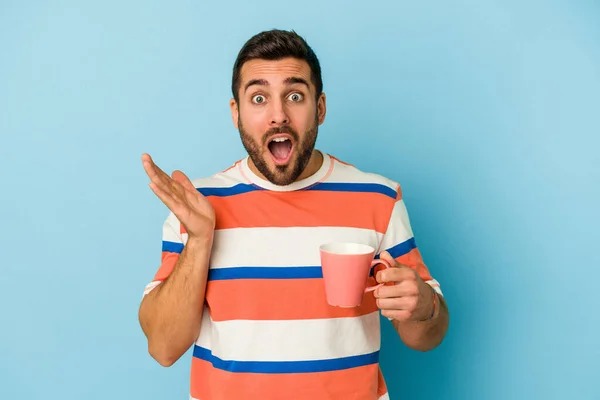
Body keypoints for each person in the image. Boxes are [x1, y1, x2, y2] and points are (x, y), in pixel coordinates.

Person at [138, 29, 449, 400]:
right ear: (236, 113)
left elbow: (425, 337)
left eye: (295, 96)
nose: (278, 116)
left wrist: (424, 307)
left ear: (319, 108)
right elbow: (163, 347)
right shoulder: (196, 204)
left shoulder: (378, 197)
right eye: (258, 98)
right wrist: (201, 239)